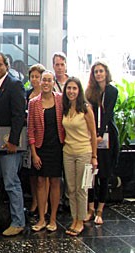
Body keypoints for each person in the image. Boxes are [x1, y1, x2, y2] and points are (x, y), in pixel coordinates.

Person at [0, 52, 26, 236]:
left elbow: (19, 115)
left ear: (6, 66)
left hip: (8, 142)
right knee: (1, 181)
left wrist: (13, 141)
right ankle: (5, 217)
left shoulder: (14, 84)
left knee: (11, 181)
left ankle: (18, 221)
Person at [27, 71, 65, 232]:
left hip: (57, 147)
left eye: (49, 80)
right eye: (44, 80)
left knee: (55, 182)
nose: (46, 83)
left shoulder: (61, 99)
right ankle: (42, 218)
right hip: (41, 148)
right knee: (41, 182)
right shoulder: (33, 103)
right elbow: (31, 130)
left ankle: (53, 219)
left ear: (53, 82)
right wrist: (34, 153)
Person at [84, 61, 119, 225]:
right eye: (96, 71)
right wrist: (93, 136)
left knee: (104, 174)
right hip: (91, 136)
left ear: (106, 73)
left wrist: (101, 134)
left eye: (101, 71)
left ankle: (100, 210)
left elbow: (107, 114)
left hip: (107, 136)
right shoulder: (90, 91)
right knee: (90, 174)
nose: (98, 74)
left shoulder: (112, 91)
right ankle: (90, 208)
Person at [62, 77, 97, 236]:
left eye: (74, 88)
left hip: (84, 151)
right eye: (69, 88)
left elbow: (94, 135)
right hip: (68, 152)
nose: (71, 91)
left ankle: (80, 221)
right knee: (71, 188)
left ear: (79, 91)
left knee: (81, 188)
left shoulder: (86, 108)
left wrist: (94, 156)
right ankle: (74, 217)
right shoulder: (65, 108)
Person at [25, 63, 46, 216]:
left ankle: (43, 203)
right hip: (28, 135)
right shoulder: (28, 94)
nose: (34, 79)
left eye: (37, 77)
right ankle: (34, 200)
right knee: (31, 171)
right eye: (32, 76)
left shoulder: (48, 96)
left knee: (42, 174)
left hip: (43, 138)